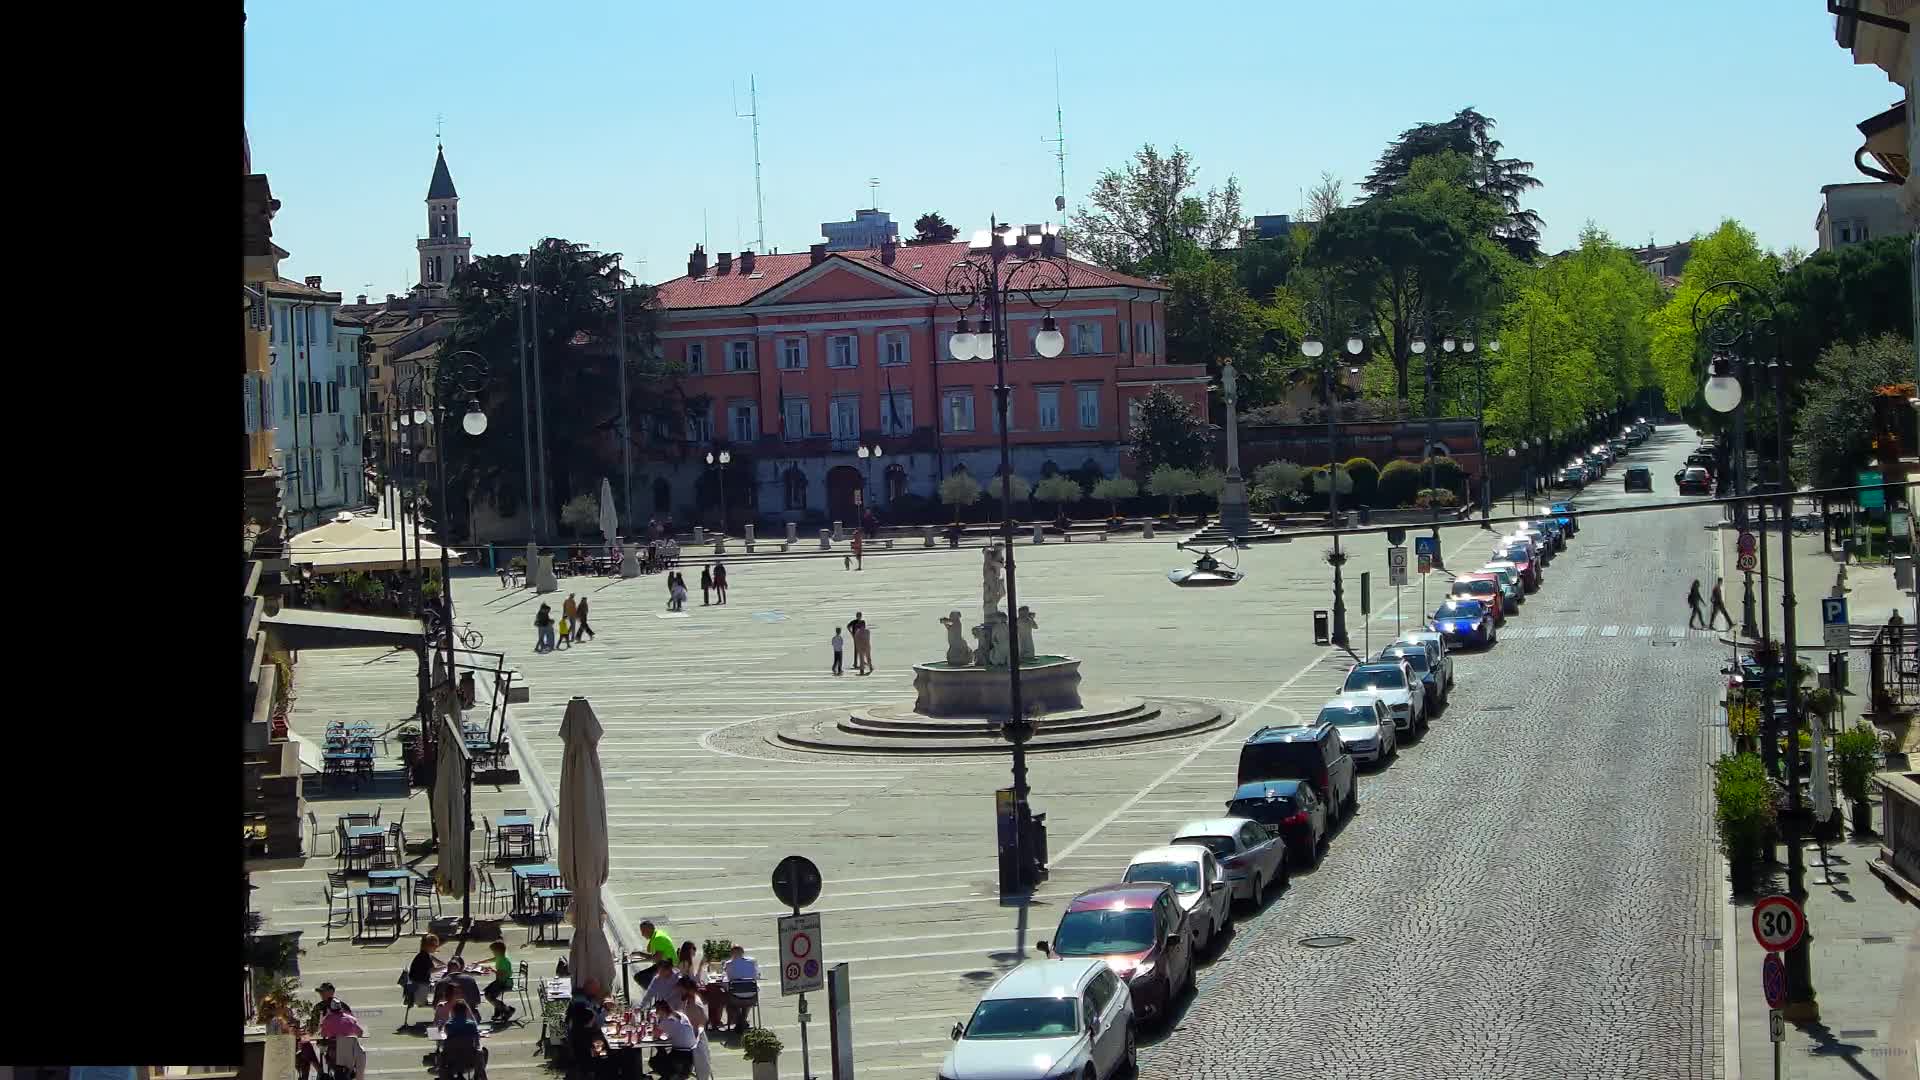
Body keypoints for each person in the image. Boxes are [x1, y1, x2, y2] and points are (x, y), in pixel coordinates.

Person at [649, 999, 698, 1080]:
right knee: (660, 1056)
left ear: (661, 1010)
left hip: (680, 1055)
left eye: (657, 1011)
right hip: (692, 1054)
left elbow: (655, 1036)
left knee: (654, 1062)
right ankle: (671, 1075)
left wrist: (655, 1021)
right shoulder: (682, 1015)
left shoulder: (665, 1022)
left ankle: (672, 1075)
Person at [677, 978, 715, 1080]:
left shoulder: (695, 1003)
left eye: (681, 989)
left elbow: (701, 1022)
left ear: (688, 989)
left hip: (695, 1043)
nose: (679, 992)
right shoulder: (689, 999)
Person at [441, 1001, 488, 1080]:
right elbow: (477, 1043)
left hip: (452, 1059)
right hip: (469, 1059)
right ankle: (478, 1075)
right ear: (465, 1011)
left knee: (441, 1054)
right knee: (483, 1052)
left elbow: (446, 1042)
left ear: (454, 1012)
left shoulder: (448, 1025)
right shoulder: (471, 1024)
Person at [403, 934, 444, 1021]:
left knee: (439, 986)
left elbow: (432, 958)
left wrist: (442, 963)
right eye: (435, 946)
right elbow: (432, 970)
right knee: (442, 988)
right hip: (420, 990)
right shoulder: (424, 957)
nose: (437, 948)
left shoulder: (423, 954)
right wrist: (445, 967)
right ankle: (442, 1013)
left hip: (417, 986)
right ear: (428, 946)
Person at [721, 945, 760, 1033]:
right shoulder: (752, 962)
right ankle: (742, 1020)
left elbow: (726, 978)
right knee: (746, 994)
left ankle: (740, 1021)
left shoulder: (728, 964)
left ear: (731, 953)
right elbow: (757, 976)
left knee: (730, 997)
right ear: (742, 952)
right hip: (752, 997)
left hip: (735, 997)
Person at [480, 939, 516, 1023]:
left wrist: (492, 969)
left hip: (505, 982)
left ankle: (507, 1010)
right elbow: (491, 959)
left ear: (498, 951)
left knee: (489, 995)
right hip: (500, 981)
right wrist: (479, 962)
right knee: (487, 992)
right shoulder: (500, 957)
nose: (493, 953)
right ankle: (499, 1010)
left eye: (493, 951)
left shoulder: (504, 961)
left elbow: (502, 974)